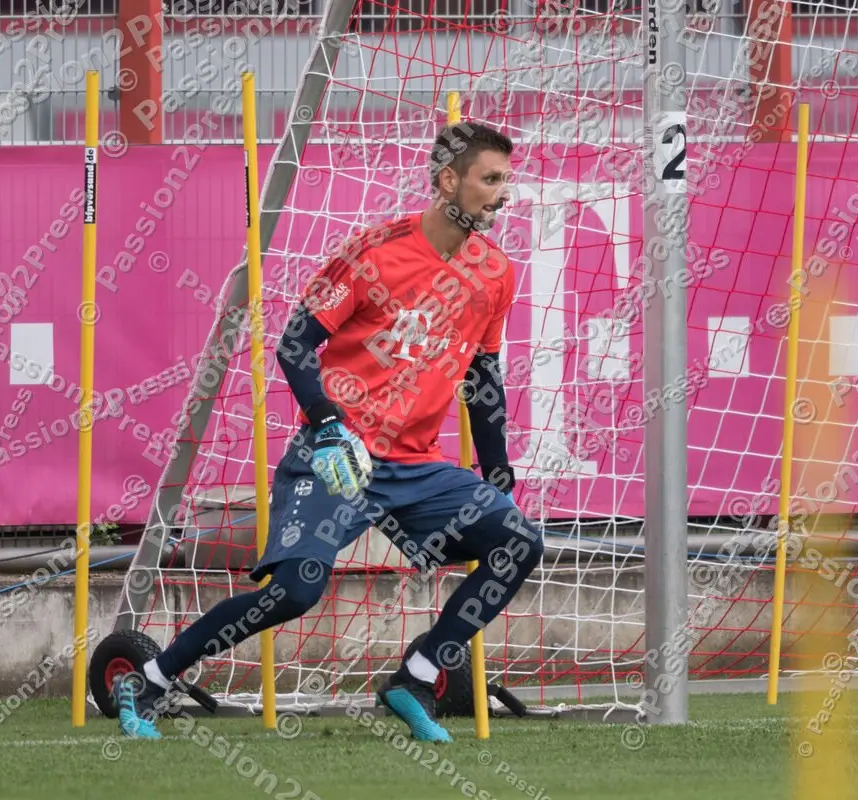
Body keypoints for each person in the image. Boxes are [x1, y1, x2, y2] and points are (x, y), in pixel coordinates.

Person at [114, 121, 544, 744]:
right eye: (491, 178)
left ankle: (415, 678)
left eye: (507, 179)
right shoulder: (373, 253)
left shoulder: (496, 272)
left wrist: (498, 477)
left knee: (517, 541)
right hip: (337, 456)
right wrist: (328, 425)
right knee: (294, 592)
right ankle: (150, 679)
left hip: (416, 468)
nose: (503, 193)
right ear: (449, 180)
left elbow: (483, 379)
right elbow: (295, 346)